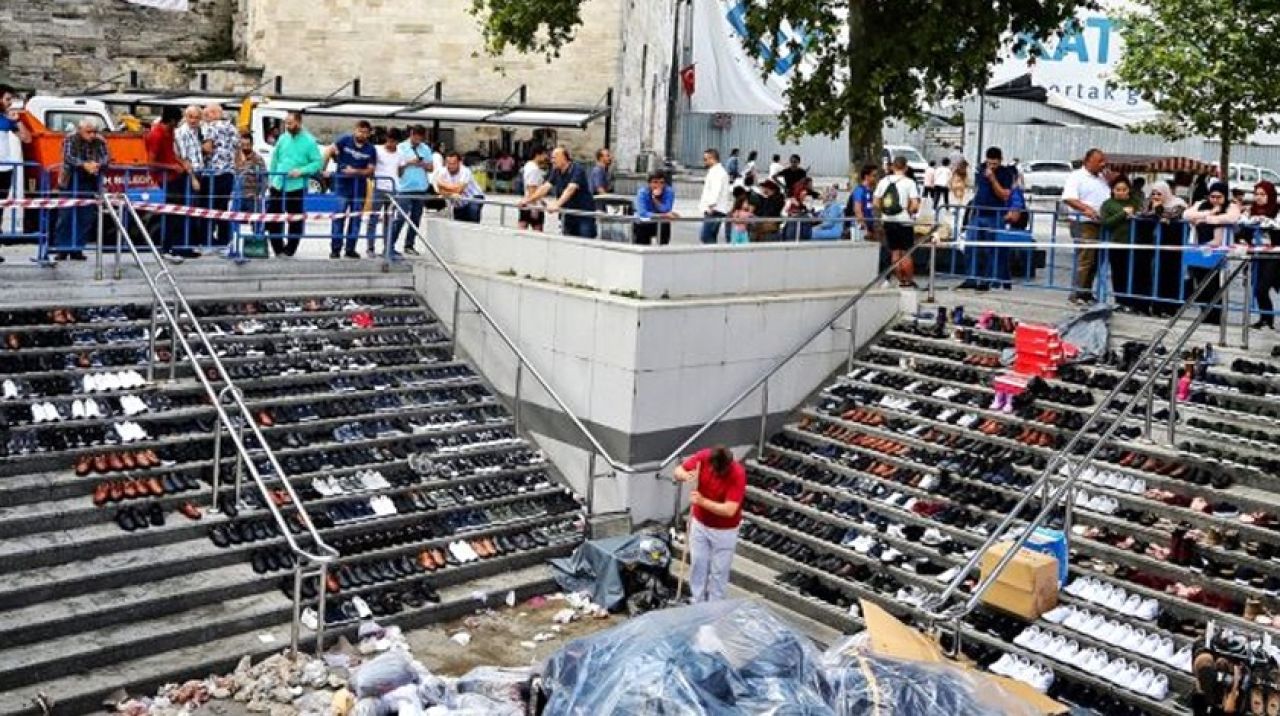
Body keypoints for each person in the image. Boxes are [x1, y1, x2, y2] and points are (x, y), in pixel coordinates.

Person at [673, 445, 746, 604]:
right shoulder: (703, 457)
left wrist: (701, 501)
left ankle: (715, 606)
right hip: (700, 524)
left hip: (725, 530)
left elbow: (729, 510)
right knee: (698, 564)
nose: (717, 474)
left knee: (719, 571)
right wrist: (686, 476)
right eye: (715, 470)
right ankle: (697, 600)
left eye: (721, 471)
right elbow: (678, 471)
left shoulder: (737, 473)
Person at [265, 111, 324, 258]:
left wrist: (302, 171)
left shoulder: (309, 141)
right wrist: (271, 179)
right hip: (278, 184)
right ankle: (277, 248)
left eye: (290, 123)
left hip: (296, 186)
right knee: (273, 217)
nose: (287, 126)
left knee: (295, 219)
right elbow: (275, 159)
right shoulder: (283, 138)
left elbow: (318, 162)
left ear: (298, 122)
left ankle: (290, 249)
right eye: (286, 123)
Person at [1183, 181, 1241, 325]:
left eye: (1219, 197)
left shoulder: (1231, 206)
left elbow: (1231, 217)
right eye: (1212, 196)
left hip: (1217, 250)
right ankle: (1204, 312)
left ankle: (1215, 316)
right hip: (1199, 248)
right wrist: (1208, 212)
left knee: (1213, 284)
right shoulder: (1201, 205)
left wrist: (1208, 219)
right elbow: (1187, 214)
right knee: (1199, 281)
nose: (1215, 200)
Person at [958, 147, 1014, 291]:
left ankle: (988, 280)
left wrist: (993, 179)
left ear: (1000, 161)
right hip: (978, 213)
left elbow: (1004, 195)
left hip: (995, 215)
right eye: (989, 163)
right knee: (971, 247)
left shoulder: (1006, 174)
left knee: (992, 249)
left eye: (995, 164)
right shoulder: (981, 169)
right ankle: (971, 278)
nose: (991, 166)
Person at [55, 118, 109, 261]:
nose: (92, 135)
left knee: (86, 217)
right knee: (65, 216)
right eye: (88, 132)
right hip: (70, 181)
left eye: (94, 132)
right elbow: (68, 157)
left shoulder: (100, 141)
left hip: (90, 182)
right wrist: (84, 165)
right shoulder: (70, 139)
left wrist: (96, 165)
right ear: (80, 130)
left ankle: (77, 248)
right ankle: (62, 249)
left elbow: (106, 157)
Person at [1061, 148, 1110, 305]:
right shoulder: (1077, 176)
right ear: (1088, 161)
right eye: (1099, 161)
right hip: (1083, 222)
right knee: (1085, 258)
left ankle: (1086, 292)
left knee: (1096, 260)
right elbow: (1069, 198)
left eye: (1103, 161)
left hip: (1100, 223)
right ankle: (1077, 293)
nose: (1103, 164)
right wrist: (1086, 209)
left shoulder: (1102, 178)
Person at [326, 120, 377, 259]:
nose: (362, 134)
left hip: (359, 189)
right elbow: (329, 151)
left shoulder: (371, 149)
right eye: (360, 131)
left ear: (369, 134)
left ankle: (350, 249)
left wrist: (354, 171)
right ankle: (335, 249)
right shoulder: (345, 140)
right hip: (341, 186)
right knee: (338, 218)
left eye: (365, 132)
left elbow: (370, 170)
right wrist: (322, 170)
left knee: (356, 220)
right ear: (355, 130)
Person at [519, 147, 594, 237]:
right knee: (567, 240)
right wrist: (527, 200)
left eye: (554, 158)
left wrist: (557, 204)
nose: (552, 161)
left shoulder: (577, 170)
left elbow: (570, 189)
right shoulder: (556, 170)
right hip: (567, 214)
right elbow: (545, 187)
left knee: (584, 240)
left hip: (583, 214)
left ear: (563, 158)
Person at [1141, 181, 1189, 317]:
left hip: (1173, 245)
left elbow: (1172, 216)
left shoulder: (1178, 203)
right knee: (1155, 274)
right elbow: (1144, 214)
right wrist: (1155, 210)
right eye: (1153, 193)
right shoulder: (1149, 203)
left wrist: (1159, 210)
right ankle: (1155, 306)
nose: (1156, 196)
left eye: (1159, 194)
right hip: (1156, 246)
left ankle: (1169, 307)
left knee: (1171, 275)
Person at [1100, 176, 1146, 310]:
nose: (1121, 192)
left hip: (1136, 243)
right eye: (1118, 190)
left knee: (1136, 273)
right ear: (1112, 190)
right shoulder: (1108, 204)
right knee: (1119, 273)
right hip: (1117, 243)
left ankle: (1135, 302)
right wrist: (1122, 214)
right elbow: (1106, 223)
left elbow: (1143, 214)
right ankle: (1121, 300)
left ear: (1129, 190)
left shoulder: (1135, 202)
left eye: (1124, 189)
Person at [875, 157, 922, 287]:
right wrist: (910, 212)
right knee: (906, 252)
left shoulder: (883, 181)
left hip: (888, 220)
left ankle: (900, 279)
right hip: (904, 221)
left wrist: (885, 211)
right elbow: (915, 205)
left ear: (892, 167)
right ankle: (908, 280)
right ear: (905, 167)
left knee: (895, 252)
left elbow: (876, 202)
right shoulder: (909, 182)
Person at [144, 106, 183, 258]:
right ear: (172, 121)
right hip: (163, 178)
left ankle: (174, 246)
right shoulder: (156, 135)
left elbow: (171, 153)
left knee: (177, 214)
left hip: (173, 176)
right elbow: (151, 163)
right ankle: (166, 247)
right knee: (170, 214)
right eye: (178, 121)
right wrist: (172, 166)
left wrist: (181, 162)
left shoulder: (169, 132)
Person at [201, 104, 239, 250]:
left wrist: (198, 149)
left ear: (214, 113)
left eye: (206, 115)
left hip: (213, 173)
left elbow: (207, 148)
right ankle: (225, 239)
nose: (205, 118)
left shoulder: (211, 127)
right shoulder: (232, 128)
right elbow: (237, 150)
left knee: (208, 208)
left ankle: (208, 240)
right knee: (222, 208)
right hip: (228, 173)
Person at [171, 105, 207, 256]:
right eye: (190, 117)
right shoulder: (182, 133)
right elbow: (184, 159)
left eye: (196, 117)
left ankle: (192, 244)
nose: (193, 120)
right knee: (188, 209)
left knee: (195, 210)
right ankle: (185, 246)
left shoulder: (198, 132)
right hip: (189, 175)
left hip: (199, 172)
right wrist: (193, 179)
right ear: (185, 117)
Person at [364, 127, 406, 258]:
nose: (390, 144)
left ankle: (387, 248)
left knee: (389, 220)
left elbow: (401, 170)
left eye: (393, 141)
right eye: (388, 140)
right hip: (379, 187)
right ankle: (370, 247)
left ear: (397, 142)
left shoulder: (400, 154)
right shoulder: (377, 150)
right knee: (373, 218)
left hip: (393, 189)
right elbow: (370, 165)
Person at [393, 125, 434, 255]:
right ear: (411, 134)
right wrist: (409, 163)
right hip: (404, 188)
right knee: (401, 217)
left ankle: (409, 244)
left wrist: (422, 164)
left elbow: (431, 168)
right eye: (416, 137)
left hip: (420, 187)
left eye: (420, 138)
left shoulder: (425, 148)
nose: (418, 140)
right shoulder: (400, 147)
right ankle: (390, 244)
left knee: (416, 218)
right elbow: (396, 167)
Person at [1246, 181, 1280, 329]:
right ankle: (1265, 319)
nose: (1259, 197)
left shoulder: (1277, 210)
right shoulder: (1252, 210)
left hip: (1275, 255)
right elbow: (1243, 227)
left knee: (1263, 287)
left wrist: (1267, 222)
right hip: (1258, 253)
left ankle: (1268, 319)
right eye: (1256, 194)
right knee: (1258, 288)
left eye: (1263, 194)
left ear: (1270, 195)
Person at [231, 130, 266, 263]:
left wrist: (260, 193)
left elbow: (264, 178)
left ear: (252, 144)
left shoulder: (258, 159)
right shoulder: (235, 157)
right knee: (233, 224)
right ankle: (233, 247)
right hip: (237, 196)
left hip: (252, 196)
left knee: (257, 224)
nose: (245, 148)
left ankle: (257, 247)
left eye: (247, 145)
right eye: (243, 145)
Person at [433, 152, 487, 223]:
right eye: (448, 163)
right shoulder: (442, 172)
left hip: (473, 197)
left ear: (459, 163)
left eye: (453, 163)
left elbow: (458, 190)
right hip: (458, 202)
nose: (451, 166)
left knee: (472, 213)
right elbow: (439, 190)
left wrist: (443, 185)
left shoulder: (465, 171)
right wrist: (450, 193)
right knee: (459, 224)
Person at [632, 171, 677, 246]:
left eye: (662, 183)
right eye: (655, 182)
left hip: (660, 222)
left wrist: (655, 199)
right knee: (641, 241)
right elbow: (642, 213)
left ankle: (663, 248)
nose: (658, 185)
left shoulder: (668, 191)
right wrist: (663, 215)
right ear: (649, 183)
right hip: (644, 223)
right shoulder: (643, 192)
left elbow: (666, 209)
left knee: (665, 226)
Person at [698, 148, 732, 244]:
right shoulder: (715, 171)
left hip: (714, 209)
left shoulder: (717, 172)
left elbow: (715, 190)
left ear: (712, 158)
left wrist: (711, 205)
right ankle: (712, 252)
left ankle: (712, 252)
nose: (704, 162)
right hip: (715, 209)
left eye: (705, 159)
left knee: (706, 236)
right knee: (710, 236)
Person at [846, 164, 880, 249]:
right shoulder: (860, 190)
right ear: (866, 176)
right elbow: (857, 210)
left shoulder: (873, 191)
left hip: (871, 226)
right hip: (862, 230)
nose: (876, 178)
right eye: (874, 175)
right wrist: (864, 228)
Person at [518, 146, 547, 231]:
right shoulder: (534, 169)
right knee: (537, 231)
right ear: (538, 155)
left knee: (522, 229)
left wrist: (542, 200)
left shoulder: (528, 165)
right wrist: (534, 208)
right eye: (544, 154)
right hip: (534, 204)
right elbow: (532, 189)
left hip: (527, 201)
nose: (546, 157)